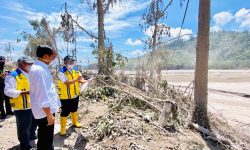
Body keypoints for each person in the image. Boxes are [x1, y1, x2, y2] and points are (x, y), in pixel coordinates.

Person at [29, 45, 61, 150]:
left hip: (47, 110)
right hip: (44, 112)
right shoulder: (38, 70)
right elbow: (41, 94)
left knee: (46, 137)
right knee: (45, 139)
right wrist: (48, 114)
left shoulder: (42, 68)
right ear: (46, 56)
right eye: (53, 56)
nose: (54, 59)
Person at [4, 56, 37, 150]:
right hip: (21, 106)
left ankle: (31, 136)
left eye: (32, 63)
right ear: (22, 64)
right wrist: (23, 92)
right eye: (29, 63)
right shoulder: (13, 75)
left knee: (33, 123)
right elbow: (7, 91)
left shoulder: (31, 74)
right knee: (23, 127)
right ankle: (25, 146)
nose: (31, 65)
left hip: (32, 104)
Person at [57, 56, 89, 136]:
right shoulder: (61, 72)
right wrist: (77, 80)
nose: (72, 64)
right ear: (65, 63)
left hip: (75, 94)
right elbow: (67, 82)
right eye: (70, 62)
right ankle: (63, 128)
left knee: (74, 109)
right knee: (65, 111)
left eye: (73, 62)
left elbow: (80, 80)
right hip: (65, 96)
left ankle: (75, 123)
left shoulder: (76, 70)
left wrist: (86, 81)